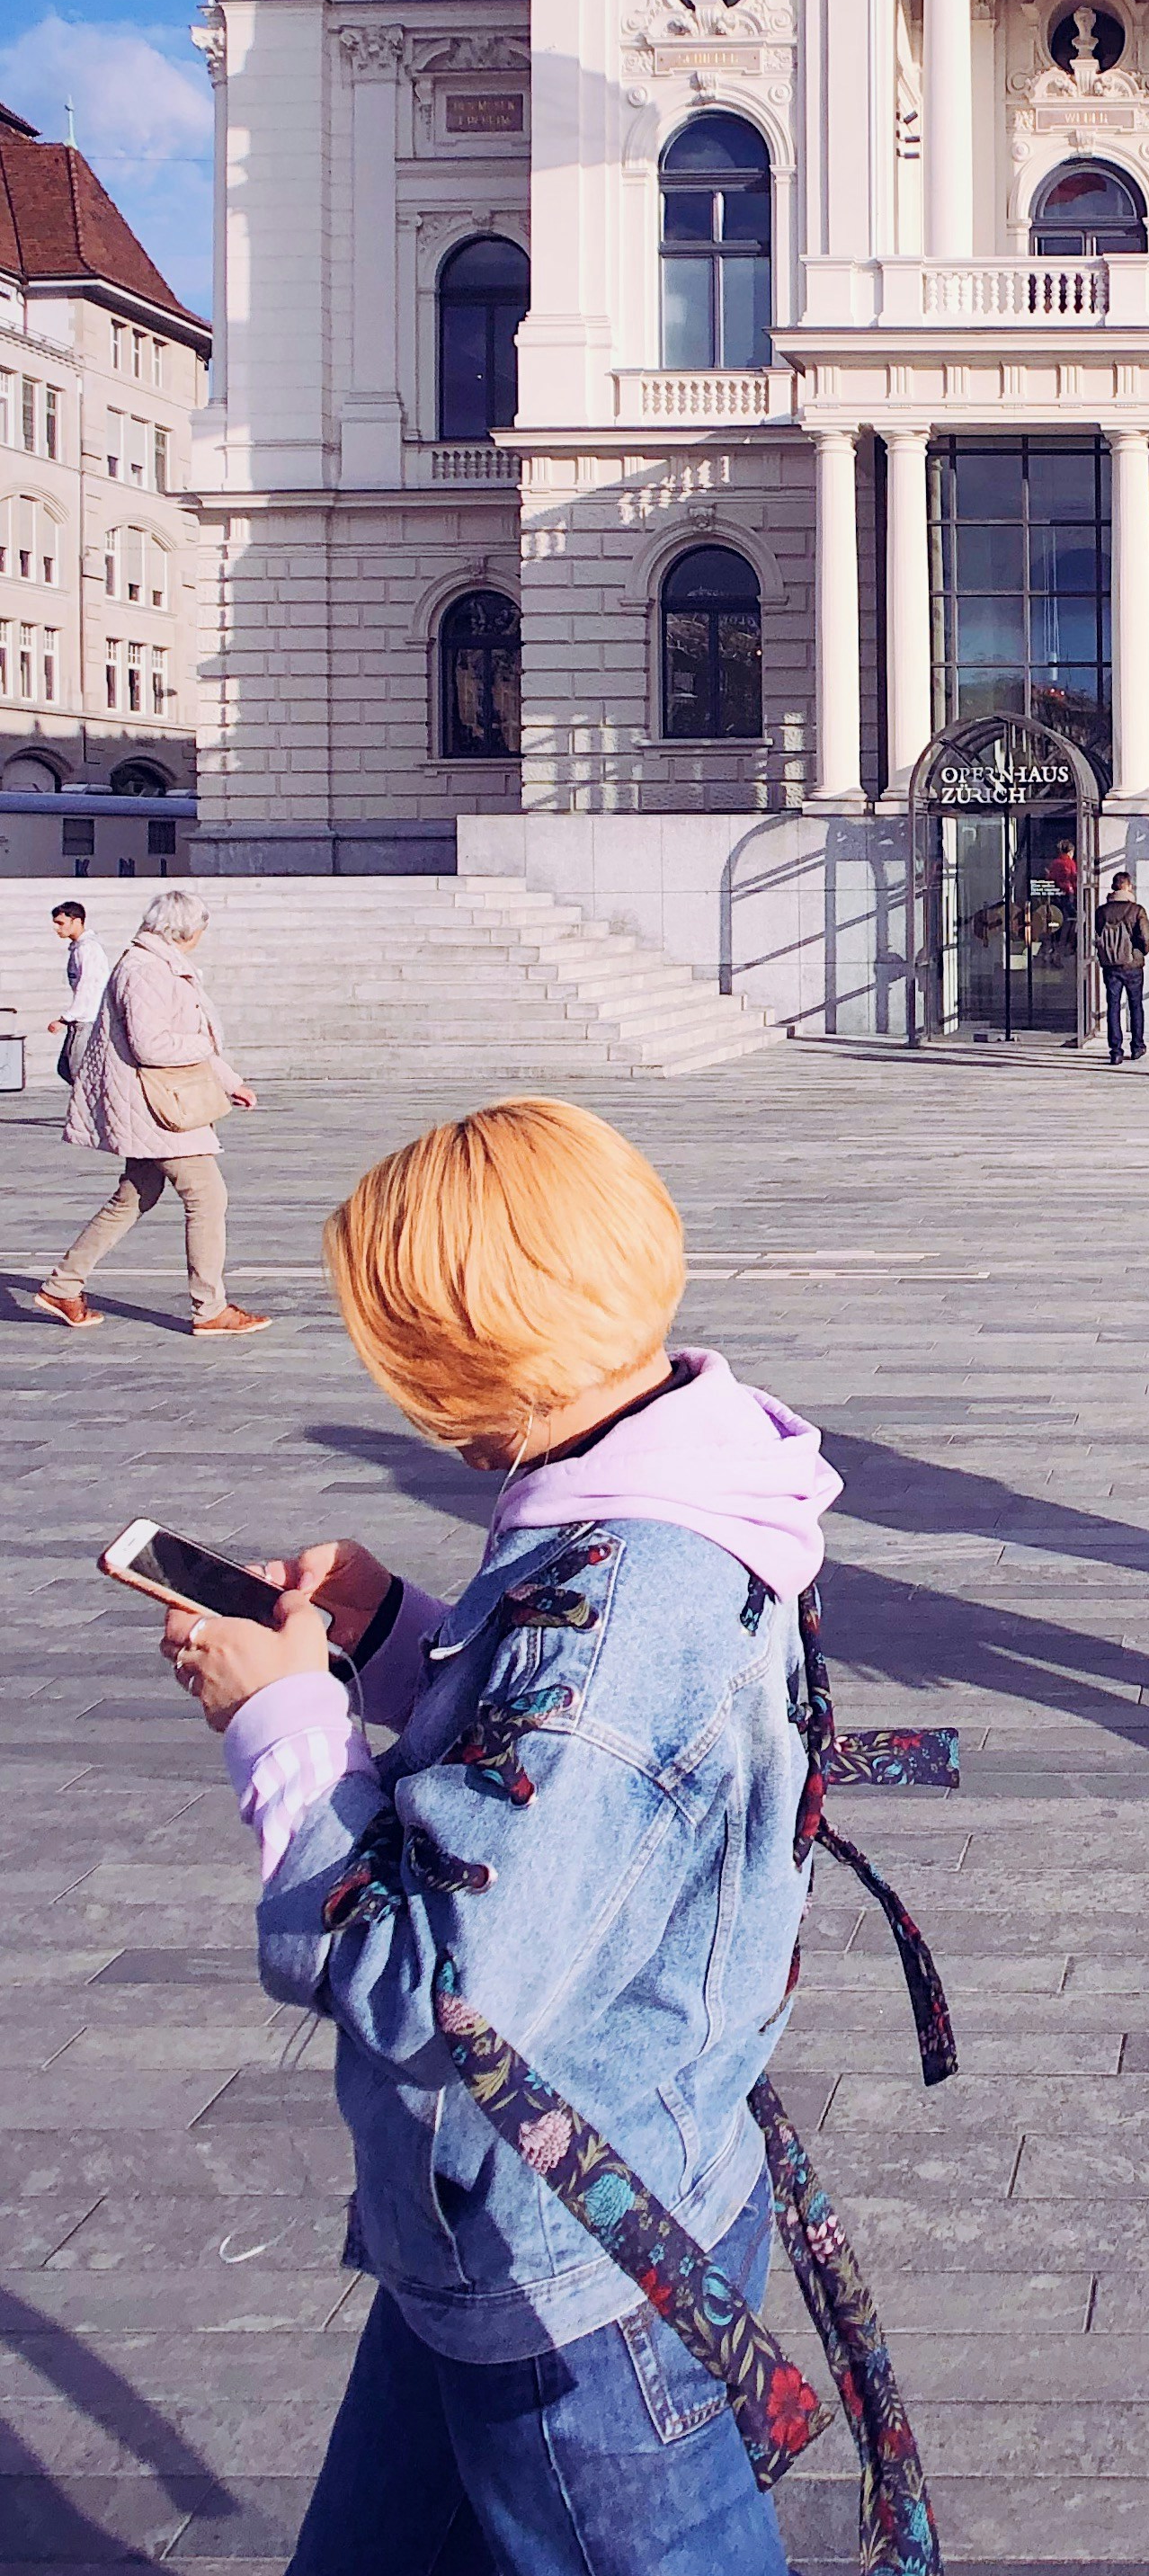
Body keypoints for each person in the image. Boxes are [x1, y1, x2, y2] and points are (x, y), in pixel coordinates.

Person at [155, 1098, 844, 2573]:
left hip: (567, 2263)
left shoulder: (618, 1602)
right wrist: (397, 1637)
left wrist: (282, 1730)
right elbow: (591, 1787)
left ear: (467, 1357)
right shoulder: (685, 1467)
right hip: (586, 2186)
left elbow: (445, 1991)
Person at [38, 887, 268, 1337]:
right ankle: (210, 1309)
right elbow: (152, 1044)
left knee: (133, 1196)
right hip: (157, 1107)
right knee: (207, 1196)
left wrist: (228, 1080)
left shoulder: (161, 965)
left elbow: (182, 1033)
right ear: (185, 929)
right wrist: (209, 1047)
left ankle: (62, 1285)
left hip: (154, 1102)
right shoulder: (144, 971)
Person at [43, 896, 108, 1084]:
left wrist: (66, 1018)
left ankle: (91, 1111)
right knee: (66, 1068)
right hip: (82, 1019)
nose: (57, 928)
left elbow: (87, 987)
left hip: (87, 1020)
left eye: (61, 923)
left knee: (80, 1073)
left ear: (77, 921)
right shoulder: (78, 948)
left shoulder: (87, 949)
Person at [1095, 869, 1149, 1062]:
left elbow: (1098, 934)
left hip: (1111, 965)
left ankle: (1116, 1051)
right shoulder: (1137, 910)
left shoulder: (1102, 911)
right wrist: (1142, 952)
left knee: (1113, 1006)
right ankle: (1137, 1046)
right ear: (1127, 886)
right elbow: (1146, 937)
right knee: (1135, 1005)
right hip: (1133, 964)